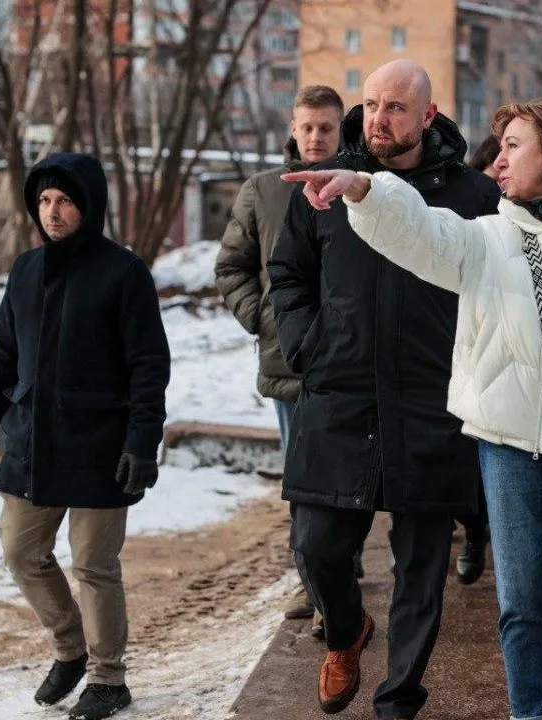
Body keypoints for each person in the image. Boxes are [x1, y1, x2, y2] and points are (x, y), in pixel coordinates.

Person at [284, 97, 542, 720]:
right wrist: (365, 189)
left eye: (513, 146)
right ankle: (532, 713)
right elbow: (421, 231)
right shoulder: (489, 237)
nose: (498, 161)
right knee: (520, 601)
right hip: (506, 443)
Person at [266, 60, 500, 720]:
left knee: (420, 568)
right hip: (339, 394)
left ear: (428, 115)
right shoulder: (322, 187)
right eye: (371, 104)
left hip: (431, 400)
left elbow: (491, 289)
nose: (379, 118)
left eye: (396, 107)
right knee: (316, 545)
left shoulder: (472, 196)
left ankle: (399, 700)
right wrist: (309, 344)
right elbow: (288, 275)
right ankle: (346, 633)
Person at [0, 153, 171, 720]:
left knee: (94, 566)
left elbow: (149, 365)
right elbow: (2, 357)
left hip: (101, 443)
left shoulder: (124, 273)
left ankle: (109, 677)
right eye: (45, 201)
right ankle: (70, 648)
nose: (52, 211)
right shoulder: (26, 269)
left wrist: (140, 441)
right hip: (32, 439)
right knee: (21, 549)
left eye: (65, 200)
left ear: (89, 205)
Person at [213, 84, 347, 636]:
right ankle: (313, 584)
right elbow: (231, 268)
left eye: (326, 128)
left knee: (347, 476)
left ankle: (340, 576)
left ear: (341, 131)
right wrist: (265, 321)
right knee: (302, 478)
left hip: (350, 363)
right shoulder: (262, 191)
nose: (315, 137)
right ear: (292, 130)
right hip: (289, 366)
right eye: (307, 127)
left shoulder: (362, 189)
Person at [452, 133, 503, 586]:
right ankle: (473, 533)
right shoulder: (466, 212)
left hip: (505, 349)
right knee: (464, 455)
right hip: (461, 345)